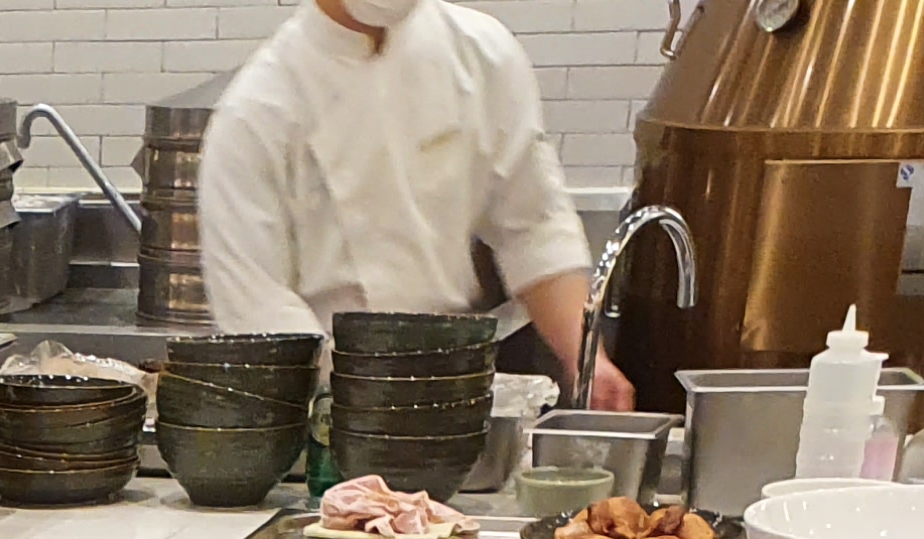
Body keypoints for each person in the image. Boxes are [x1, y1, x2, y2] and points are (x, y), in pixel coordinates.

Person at [191, 0, 623, 408]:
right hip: (320, 413)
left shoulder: (480, 55)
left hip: (452, 398)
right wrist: (370, 411)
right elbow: (259, 314)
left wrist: (586, 359)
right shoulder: (255, 116)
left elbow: (533, 225)